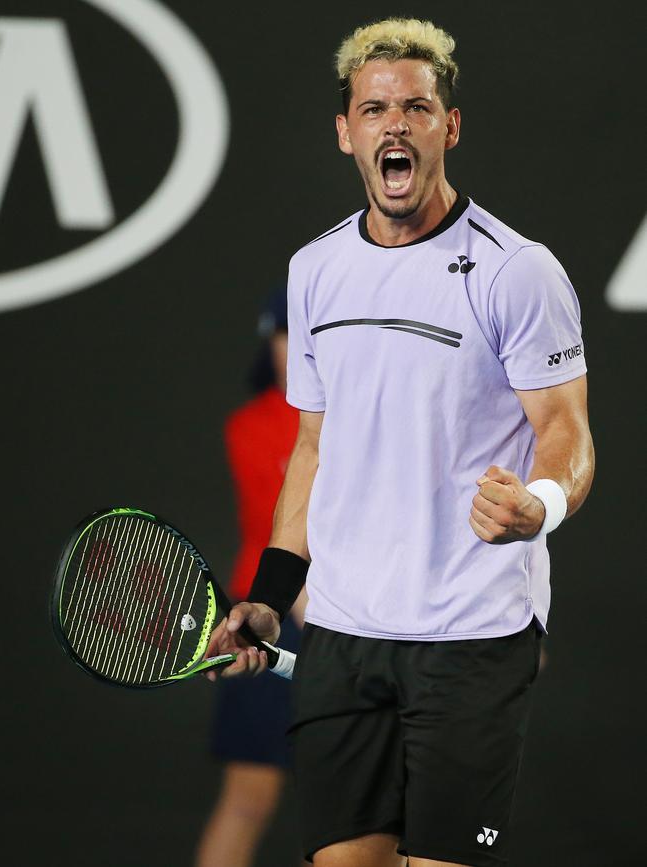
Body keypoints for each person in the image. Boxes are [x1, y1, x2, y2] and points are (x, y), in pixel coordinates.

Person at [205, 17, 594, 867]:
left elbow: (566, 431)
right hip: (344, 637)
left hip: (475, 634)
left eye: (416, 107)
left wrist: (542, 503)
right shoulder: (315, 272)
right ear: (347, 132)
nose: (395, 124)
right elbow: (313, 449)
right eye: (375, 108)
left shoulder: (516, 270)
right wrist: (271, 596)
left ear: (447, 128)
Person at [195, 289, 306, 867]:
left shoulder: (367, 415)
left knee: (357, 806)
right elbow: (285, 534)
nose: (294, 349)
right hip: (267, 621)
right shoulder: (251, 426)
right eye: (283, 336)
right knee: (248, 798)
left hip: (355, 622)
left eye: (306, 334)